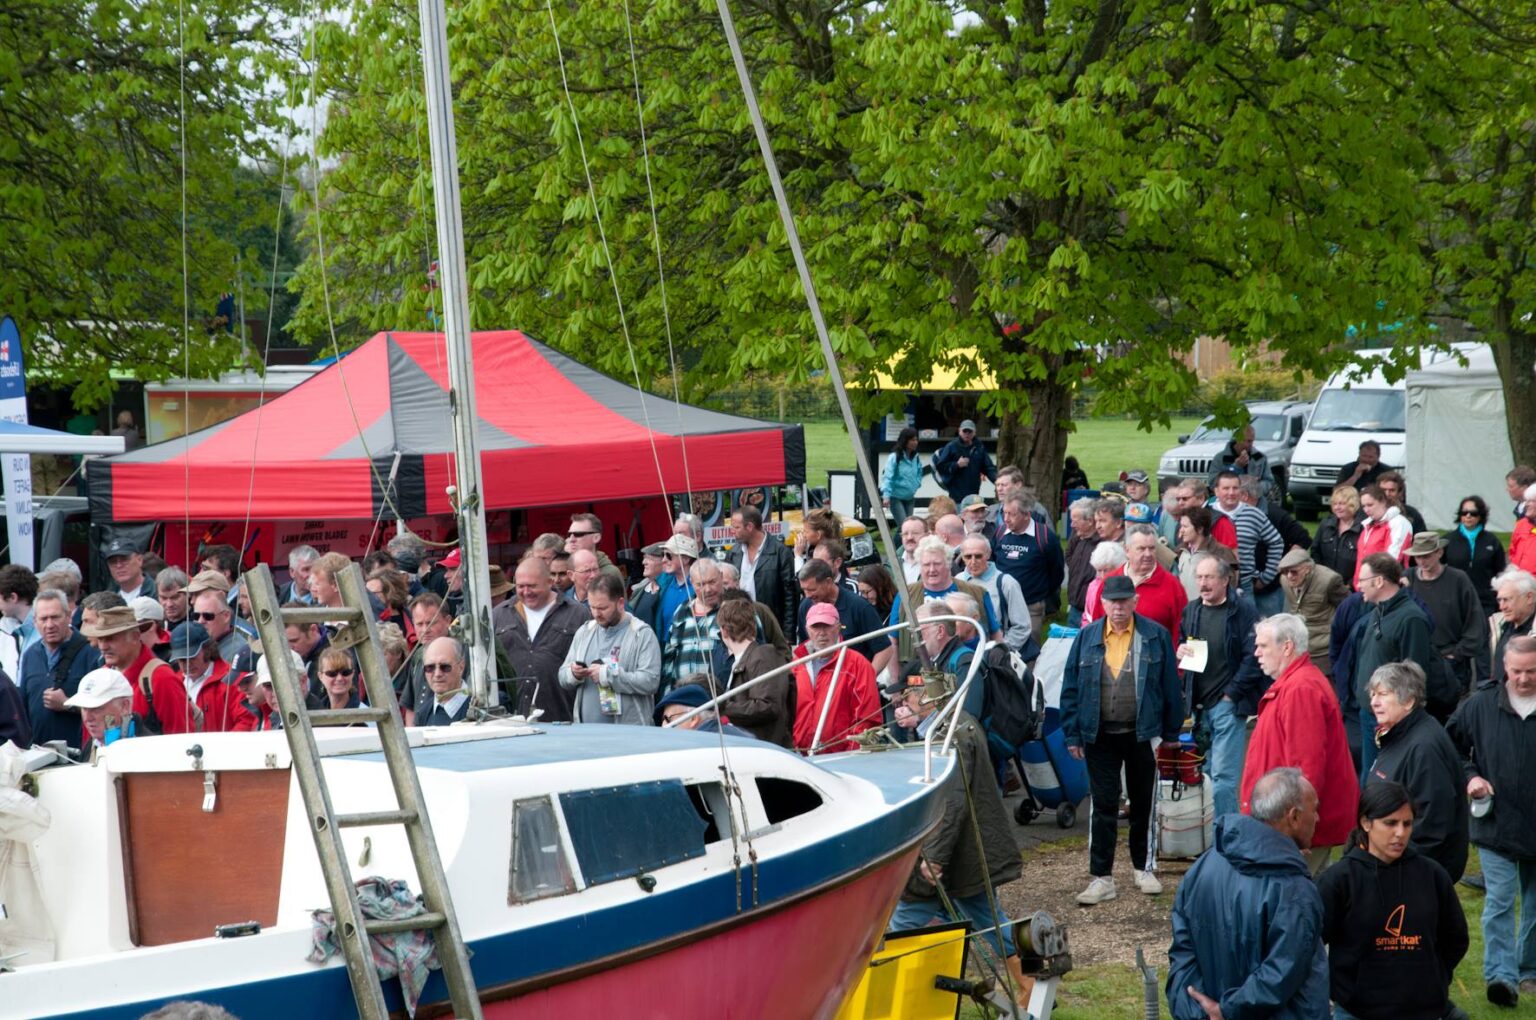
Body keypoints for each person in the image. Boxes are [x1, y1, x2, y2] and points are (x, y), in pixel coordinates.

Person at [886, 669, 1031, 1012]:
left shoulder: (949, 735)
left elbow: (951, 801)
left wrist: (934, 857)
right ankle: (1029, 983)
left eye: (905, 698)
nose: (899, 705)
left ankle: (1032, 983)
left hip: (956, 857)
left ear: (925, 698)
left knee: (987, 923)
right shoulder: (951, 726)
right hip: (955, 857)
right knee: (978, 920)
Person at [1166, 767, 1329, 1020]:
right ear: (1294, 817)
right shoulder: (1294, 890)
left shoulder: (1204, 865)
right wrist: (1224, 1012)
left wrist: (1197, 1011)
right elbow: (1282, 973)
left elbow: (1182, 949)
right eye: (1314, 809)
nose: (1318, 818)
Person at [1060, 574, 1183, 904]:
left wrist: (1171, 733)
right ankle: (1102, 877)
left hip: (1142, 733)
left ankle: (1143, 867)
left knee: (1143, 803)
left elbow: (1170, 685)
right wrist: (1072, 733)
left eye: (1124, 600)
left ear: (1135, 602)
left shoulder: (1154, 636)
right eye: (1112, 601)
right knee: (1103, 805)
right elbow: (1070, 687)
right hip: (1099, 735)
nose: (1118, 607)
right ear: (1102, 604)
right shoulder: (1086, 637)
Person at [1316, 781, 1469, 1020]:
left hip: (1423, 1010)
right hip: (1357, 1011)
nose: (1400, 833)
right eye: (1390, 823)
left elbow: (1456, 938)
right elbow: (1311, 943)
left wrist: (1432, 979)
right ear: (1366, 823)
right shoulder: (1339, 880)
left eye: (1407, 824)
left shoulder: (1432, 875)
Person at [1447, 635, 1536, 1007]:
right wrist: (1471, 776)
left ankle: (1528, 970)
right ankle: (1501, 976)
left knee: (1534, 904)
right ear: (1504, 668)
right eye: (1517, 671)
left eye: (1531, 672)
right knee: (1500, 899)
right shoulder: (1479, 704)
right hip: (1495, 822)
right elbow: (1450, 745)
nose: (1524, 679)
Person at [1241, 614, 1358, 871]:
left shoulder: (1300, 689)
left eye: (1263, 646)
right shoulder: (1296, 684)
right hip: (1290, 823)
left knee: (1297, 900)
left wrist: (1299, 830)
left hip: (1296, 829)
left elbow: (1307, 767)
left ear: (1287, 647)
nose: (1256, 653)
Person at [1176, 554, 1265, 819]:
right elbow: (1185, 643)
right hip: (1197, 707)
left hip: (1227, 704)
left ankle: (1227, 832)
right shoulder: (1192, 610)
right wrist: (1181, 650)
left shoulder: (1243, 610)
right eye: (1200, 577)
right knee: (1201, 774)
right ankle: (1204, 833)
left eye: (1209, 577)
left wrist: (1231, 694)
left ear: (1225, 580)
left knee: (1223, 776)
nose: (1203, 583)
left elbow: (1254, 656)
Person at [1365, 661, 1468, 881]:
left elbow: (1431, 823)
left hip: (1412, 872)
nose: (1374, 702)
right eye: (1373, 694)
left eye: (1383, 694)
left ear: (1409, 701)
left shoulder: (1424, 747)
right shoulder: (1398, 734)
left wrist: (1397, 866)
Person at [557, 573, 661, 726]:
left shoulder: (642, 634)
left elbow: (650, 681)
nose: (596, 614)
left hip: (630, 734)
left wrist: (609, 676)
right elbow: (562, 676)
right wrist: (573, 673)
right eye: (592, 607)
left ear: (620, 603)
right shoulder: (584, 632)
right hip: (587, 733)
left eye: (603, 608)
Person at [494, 558, 589, 722]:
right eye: (520, 586)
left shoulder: (578, 614)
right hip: (511, 722)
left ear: (550, 582)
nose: (526, 591)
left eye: (532, 586)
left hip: (563, 719)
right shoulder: (499, 614)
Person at [80, 605, 193, 735]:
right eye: (100, 639)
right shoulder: (101, 676)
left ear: (135, 637)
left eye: (111, 638)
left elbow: (181, 738)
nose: (103, 646)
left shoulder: (162, 678)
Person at [791, 602, 882, 753]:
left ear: (838, 627)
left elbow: (868, 718)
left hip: (841, 758)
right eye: (816, 627)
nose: (821, 632)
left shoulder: (858, 664)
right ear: (807, 630)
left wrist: (851, 754)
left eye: (827, 626)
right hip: (801, 755)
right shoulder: (796, 664)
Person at [17, 588, 98, 751]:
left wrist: (67, 704)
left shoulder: (90, 651)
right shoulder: (30, 655)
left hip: (79, 756)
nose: (49, 625)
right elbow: (23, 708)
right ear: (34, 621)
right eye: (43, 619)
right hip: (39, 754)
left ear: (68, 616)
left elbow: (102, 708)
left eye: (55, 617)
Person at [1409, 532, 1486, 699]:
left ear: (1439, 552)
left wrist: (1458, 654)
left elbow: (1475, 619)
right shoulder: (1408, 578)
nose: (1422, 561)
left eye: (1426, 556)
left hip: (1450, 659)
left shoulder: (1458, 579)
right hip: (1417, 658)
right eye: (1418, 557)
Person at [1082, 525, 1188, 639]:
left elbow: (1181, 633)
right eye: (1141, 549)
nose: (1148, 554)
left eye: (1151, 548)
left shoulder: (1172, 586)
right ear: (1127, 550)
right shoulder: (1109, 582)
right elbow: (1097, 628)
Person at [717, 596, 793, 747]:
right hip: (752, 745)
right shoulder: (746, 657)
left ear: (724, 631)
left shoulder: (762, 655)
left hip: (765, 747)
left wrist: (722, 708)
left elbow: (768, 705)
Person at [991, 495, 1064, 641]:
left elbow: (1057, 571)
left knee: (1029, 651)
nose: (1006, 519)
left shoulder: (1045, 537)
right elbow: (992, 562)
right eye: (1004, 513)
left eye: (1012, 514)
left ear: (1027, 514)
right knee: (999, 650)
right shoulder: (1000, 533)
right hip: (1001, 605)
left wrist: (1041, 593)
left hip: (1031, 606)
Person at [797, 559, 893, 670]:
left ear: (828, 582)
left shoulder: (859, 607)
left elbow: (884, 650)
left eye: (812, 589)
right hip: (821, 683)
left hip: (854, 680)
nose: (807, 595)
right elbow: (804, 649)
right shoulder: (805, 607)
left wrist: (866, 680)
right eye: (804, 590)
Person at [1209, 470, 1284, 613]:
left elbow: (1276, 542)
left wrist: (1266, 577)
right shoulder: (1207, 515)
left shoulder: (1254, 514)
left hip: (1245, 586)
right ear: (1216, 491)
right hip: (1213, 584)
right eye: (1226, 488)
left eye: (1235, 488)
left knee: (1248, 631)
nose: (1231, 493)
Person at [167, 622, 255, 733]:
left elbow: (246, 721)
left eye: (192, 656)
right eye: (182, 659)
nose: (188, 664)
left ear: (207, 649)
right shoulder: (174, 682)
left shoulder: (231, 680)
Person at [726, 504, 797, 637]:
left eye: (736, 527)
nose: (732, 531)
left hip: (771, 628)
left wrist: (788, 636)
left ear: (750, 527)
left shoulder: (780, 552)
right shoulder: (733, 553)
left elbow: (790, 597)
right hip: (740, 628)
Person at [1277, 548, 1348, 676]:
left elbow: (1348, 607)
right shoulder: (1284, 580)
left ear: (1308, 569)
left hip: (1323, 649)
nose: (1289, 576)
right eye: (1284, 571)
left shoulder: (1329, 580)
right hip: (1298, 645)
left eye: (1293, 572)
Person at [662, 558, 729, 692]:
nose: (708, 589)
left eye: (712, 582)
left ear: (721, 577)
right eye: (701, 584)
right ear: (691, 583)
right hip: (683, 700)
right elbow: (669, 659)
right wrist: (667, 698)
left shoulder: (736, 609)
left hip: (721, 701)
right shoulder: (681, 611)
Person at [956, 537, 1032, 653]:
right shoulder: (957, 581)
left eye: (978, 556)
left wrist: (1001, 650)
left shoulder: (1006, 583)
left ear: (988, 554)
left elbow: (1022, 626)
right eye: (968, 556)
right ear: (962, 557)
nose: (973, 561)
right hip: (963, 651)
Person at [1444, 495, 1506, 618]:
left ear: (1481, 515)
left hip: (1485, 602)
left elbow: (1501, 571)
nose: (1468, 516)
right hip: (1455, 601)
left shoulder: (1491, 541)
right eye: (1464, 512)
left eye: (1473, 513)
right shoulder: (1447, 540)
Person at [66, 667, 145, 755]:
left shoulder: (149, 751)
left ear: (124, 706)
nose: (87, 718)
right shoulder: (92, 746)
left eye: (96, 708)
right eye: (84, 708)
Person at [1174, 506, 1238, 603]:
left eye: (1185, 527)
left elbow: (1230, 589)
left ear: (1199, 529)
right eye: (1181, 526)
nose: (1181, 531)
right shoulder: (1180, 551)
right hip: (1186, 612)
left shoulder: (1220, 553)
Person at [1354, 485, 1413, 588]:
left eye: (1370, 505)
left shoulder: (1399, 523)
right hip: (1366, 585)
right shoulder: (1368, 525)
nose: (1366, 510)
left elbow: (1391, 560)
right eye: (1363, 506)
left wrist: (1369, 584)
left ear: (1383, 502)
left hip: (1385, 586)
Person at [1488, 569, 1536, 690]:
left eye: (1507, 599)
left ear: (1529, 597)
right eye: (1499, 600)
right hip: (1500, 700)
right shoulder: (1499, 625)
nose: (1502, 607)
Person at [653, 679, 752, 736]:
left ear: (693, 718)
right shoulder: (742, 736)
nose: (663, 726)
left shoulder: (696, 748)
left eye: (668, 719)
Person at [1207, 424, 1275, 507]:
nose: (1251, 444)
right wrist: (1235, 467)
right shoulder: (1221, 458)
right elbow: (1213, 483)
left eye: (1252, 441)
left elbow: (1269, 481)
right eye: (1248, 441)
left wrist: (1254, 487)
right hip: (1228, 504)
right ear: (1238, 439)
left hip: (1256, 505)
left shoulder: (1259, 458)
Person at [1312, 484, 1366, 582]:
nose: (1337, 507)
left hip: (1351, 586)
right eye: (1335, 504)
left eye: (1341, 504)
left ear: (1352, 503)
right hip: (1324, 582)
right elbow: (1315, 552)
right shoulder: (1326, 524)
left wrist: (1351, 584)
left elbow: (1365, 561)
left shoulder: (1364, 527)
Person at [412, 636, 471, 726]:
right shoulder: (423, 714)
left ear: (461, 667)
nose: (437, 674)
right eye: (430, 667)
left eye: (445, 667)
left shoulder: (484, 707)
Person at [931, 419, 994, 502]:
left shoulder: (979, 447)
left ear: (974, 432)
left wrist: (997, 480)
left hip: (974, 493)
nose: (967, 434)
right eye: (965, 431)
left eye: (970, 431)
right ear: (959, 431)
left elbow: (988, 467)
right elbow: (941, 466)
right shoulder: (951, 446)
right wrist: (956, 465)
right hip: (956, 494)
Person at [1064, 497, 1101, 627]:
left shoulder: (1102, 544)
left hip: (1092, 611)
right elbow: (1068, 555)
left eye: (1075, 520)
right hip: (1075, 607)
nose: (1071, 525)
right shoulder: (1077, 536)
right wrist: (1078, 570)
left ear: (1090, 521)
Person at [1077, 540, 1128, 627]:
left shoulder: (1125, 586)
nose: (1102, 575)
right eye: (1099, 570)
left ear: (1117, 567)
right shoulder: (1093, 586)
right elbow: (1087, 615)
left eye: (1106, 570)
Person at [879, 426, 924, 522]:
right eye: (912, 440)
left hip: (910, 498)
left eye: (916, 440)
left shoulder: (916, 457)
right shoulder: (894, 457)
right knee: (904, 526)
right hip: (896, 497)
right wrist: (886, 495)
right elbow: (887, 476)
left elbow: (920, 472)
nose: (915, 442)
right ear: (905, 441)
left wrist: (916, 484)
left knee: (908, 526)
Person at [627, 541, 667, 633]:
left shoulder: (668, 590)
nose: (644, 562)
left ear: (664, 561)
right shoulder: (638, 590)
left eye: (650, 558)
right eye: (644, 558)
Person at [1377, 471, 1428, 536]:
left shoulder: (1411, 513)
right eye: (1383, 490)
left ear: (1399, 493)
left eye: (1392, 490)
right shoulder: (1368, 512)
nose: (1387, 494)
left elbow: (1422, 539)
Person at [896, 516, 926, 584]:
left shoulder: (936, 563)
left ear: (926, 535)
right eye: (905, 534)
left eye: (915, 533)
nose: (910, 537)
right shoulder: (891, 564)